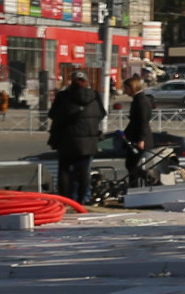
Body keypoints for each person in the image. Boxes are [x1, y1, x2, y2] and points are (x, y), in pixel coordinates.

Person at [46, 71, 106, 205]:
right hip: (88, 140)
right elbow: (102, 113)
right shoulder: (94, 95)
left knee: (64, 170)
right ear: (86, 82)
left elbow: (53, 114)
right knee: (84, 171)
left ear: (71, 81)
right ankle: (81, 200)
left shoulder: (63, 96)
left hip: (66, 139)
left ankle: (66, 200)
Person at [118, 72, 157, 189]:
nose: (125, 91)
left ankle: (147, 178)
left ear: (132, 87)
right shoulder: (138, 99)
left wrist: (141, 139)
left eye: (126, 88)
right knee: (131, 164)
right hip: (135, 136)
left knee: (131, 164)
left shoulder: (140, 100)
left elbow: (143, 121)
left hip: (139, 137)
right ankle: (134, 185)